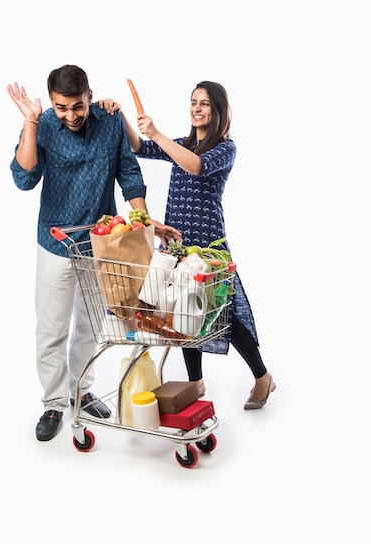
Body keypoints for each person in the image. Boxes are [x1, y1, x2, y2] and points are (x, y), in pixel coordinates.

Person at [7, 64, 181, 442]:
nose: (70, 115)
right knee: (52, 330)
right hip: (55, 244)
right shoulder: (45, 124)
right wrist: (31, 122)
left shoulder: (110, 120)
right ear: (53, 103)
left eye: (77, 106)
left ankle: (81, 392)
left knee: (89, 329)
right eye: (61, 107)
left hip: (102, 246)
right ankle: (53, 403)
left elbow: (128, 173)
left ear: (89, 96)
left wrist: (144, 222)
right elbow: (24, 178)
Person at [101, 81, 275, 409]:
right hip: (178, 243)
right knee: (182, 313)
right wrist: (123, 113)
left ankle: (262, 377)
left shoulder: (225, 148)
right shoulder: (180, 143)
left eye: (205, 103)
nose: (196, 108)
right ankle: (195, 381)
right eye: (193, 102)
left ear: (218, 110)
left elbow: (196, 166)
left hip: (208, 243)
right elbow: (138, 146)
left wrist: (157, 133)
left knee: (223, 313)